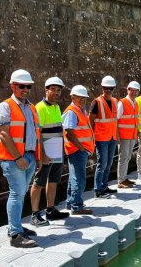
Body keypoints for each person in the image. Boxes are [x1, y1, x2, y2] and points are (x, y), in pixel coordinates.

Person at [0, 69, 41, 248]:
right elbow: (3, 133)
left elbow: (35, 133)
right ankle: (15, 235)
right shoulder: (6, 106)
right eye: (21, 86)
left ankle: (15, 227)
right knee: (17, 193)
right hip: (14, 159)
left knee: (21, 192)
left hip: (29, 156)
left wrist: (36, 156)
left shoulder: (31, 107)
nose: (25, 89)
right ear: (13, 86)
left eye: (28, 86)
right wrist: (18, 157)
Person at [30, 77, 69, 227]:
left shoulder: (56, 107)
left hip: (57, 150)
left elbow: (58, 130)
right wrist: (42, 154)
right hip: (46, 151)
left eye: (58, 90)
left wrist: (62, 149)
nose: (56, 93)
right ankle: (35, 214)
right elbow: (38, 133)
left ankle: (50, 210)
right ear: (46, 89)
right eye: (53, 89)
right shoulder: (40, 107)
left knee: (53, 181)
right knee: (39, 182)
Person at [62, 85, 95, 215]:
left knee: (73, 177)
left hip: (79, 149)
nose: (82, 100)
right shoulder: (72, 111)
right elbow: (69, 132)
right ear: (72, 97)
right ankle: (77, 206)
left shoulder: (80, 110)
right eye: (79, 98)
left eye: (84, 98)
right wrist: (81, 147)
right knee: (79, 178)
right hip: (77, 150)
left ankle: (71, 203)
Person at [89, 76, 118, 198]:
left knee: (109, 163)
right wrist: (92, 136)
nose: (108, 91)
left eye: (110, 88)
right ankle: (98, 189)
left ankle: (104, 186)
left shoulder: (115, 101)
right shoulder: (96, 102)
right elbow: (90, 120)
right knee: (102, 163)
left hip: (112, 137)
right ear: (102, 88)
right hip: (101, 138)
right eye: (106, 88)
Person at [117, 81, 140, 188]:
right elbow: (116, 120)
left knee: (127, 157)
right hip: (124, 135)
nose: (134, 92)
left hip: (132, 135)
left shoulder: (135, 103)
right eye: (132, 90)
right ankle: (121, 180)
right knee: (123, 157)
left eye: (136, 91)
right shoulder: (122, 102)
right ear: (128, 90)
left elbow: (136, 120)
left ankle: (124, 178)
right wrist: (117, 135)